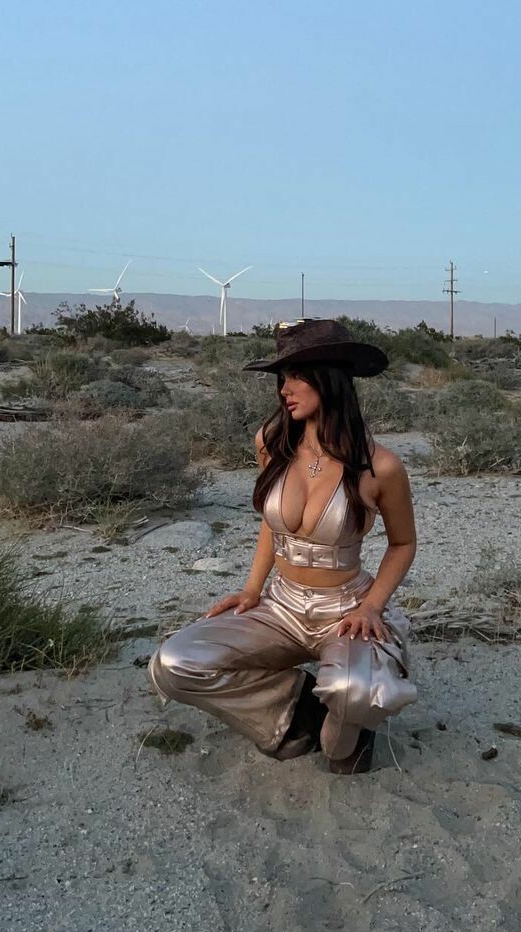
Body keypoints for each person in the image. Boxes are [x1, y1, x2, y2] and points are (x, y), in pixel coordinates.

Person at [147, 317, 418, 774]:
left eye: (296, 377)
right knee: (174, 663)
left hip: (345, 610)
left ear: (330, 380)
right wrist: (252, 588)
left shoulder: (381, 466)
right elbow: (272, 527)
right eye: (281, 378)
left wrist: (372, 606)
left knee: (346, 725)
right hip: (280, 605)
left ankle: (347, 722)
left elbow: (403, 543)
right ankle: (295, 711)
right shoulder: (271, 443)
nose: (284, 390)